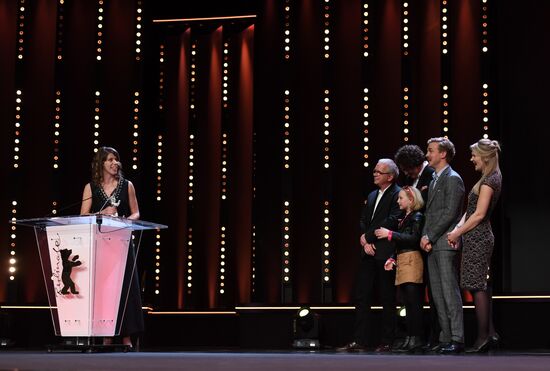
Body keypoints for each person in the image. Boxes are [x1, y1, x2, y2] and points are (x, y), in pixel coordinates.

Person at [80, 146, 144, 350]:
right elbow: (83, 216)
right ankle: (106, 335)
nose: (115, 163)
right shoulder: (91, 187)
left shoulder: (127, 185)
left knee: (125, 288)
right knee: (105, 290)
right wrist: (101, 214)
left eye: (116, 159)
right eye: (110, 160)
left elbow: (136, 214)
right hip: (101, 245)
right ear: (101, 164)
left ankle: (126, 336)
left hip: (122, 242)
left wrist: (123, 219)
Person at [338, 159, 402, 352]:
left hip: (385, 251)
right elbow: (364, 219)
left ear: (390, 176)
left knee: (386, 297)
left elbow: (392, 220)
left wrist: (368, 236)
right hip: (368, 251)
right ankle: (360, 340)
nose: (374, 174)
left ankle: (387, 340)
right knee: (362, 296)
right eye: (374, 171)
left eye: (378, 172)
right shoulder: (373, 194)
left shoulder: (397, 194)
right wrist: (365, 240)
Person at [446, 139, 502, 353]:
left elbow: (478, 215)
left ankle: (482, 337)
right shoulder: (486, 178)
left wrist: (458, 232)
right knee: (479, 284)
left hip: (479, 237)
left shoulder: (490, 181)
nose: (471, 159)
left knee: (476, 285)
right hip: (475, 236)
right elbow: (470, 212)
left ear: (485, 157)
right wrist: (457, 230)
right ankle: (491, 333)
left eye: (474, 156)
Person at [420, 137, 465, 354]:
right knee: (437, 294)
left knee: (449, 291)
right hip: (433, 243)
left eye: (430, 151)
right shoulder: (436, 178)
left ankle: (457, 337)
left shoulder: (453, 178)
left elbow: (450, 213)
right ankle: (445, 337)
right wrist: (425, 237)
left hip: (446, 242)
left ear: (443, 154)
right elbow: (431, 214)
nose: (427, 155)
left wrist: (430, 235)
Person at [394, 144, 439, 349]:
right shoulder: (412, 180)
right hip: (416, 246)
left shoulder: (431, 175)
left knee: (433, 293)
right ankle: (415, 336)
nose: (405, 173)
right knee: (412, 297)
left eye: (406, 168)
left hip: (428, 239)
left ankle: (434, 337)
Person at [375, 186, 425, 352]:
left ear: (411, 200)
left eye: (401, 198)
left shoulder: (417, 216)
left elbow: (413, 238)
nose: (398, 201)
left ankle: (416, 338)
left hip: (412, 259)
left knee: (414, 302)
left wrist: (390, 234)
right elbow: (401, 243)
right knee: (406, 303)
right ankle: (409, 337)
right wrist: (392, 258)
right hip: (403, 260)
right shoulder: (405, 218)